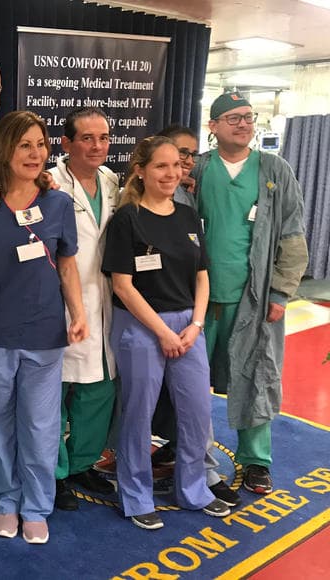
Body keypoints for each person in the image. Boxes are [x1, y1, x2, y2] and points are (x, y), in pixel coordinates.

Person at [102, 136, 231, 530]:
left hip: (188, 326)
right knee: (138, 413)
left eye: (177, 165)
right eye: (161, 165)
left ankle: (194, 489)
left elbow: (202, 276)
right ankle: (136, 496)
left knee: (197, 411)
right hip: (141, 325)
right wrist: (162, 332)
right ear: (141, 171)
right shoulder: (127, 219)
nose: (172, 173)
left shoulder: (188, 216)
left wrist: (195, 325)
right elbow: (122, 285)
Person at [192, 92, 309, 494]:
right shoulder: (197, 169)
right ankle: (188, 453)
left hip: (255, 299)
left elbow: (292, 235)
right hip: (200, 300)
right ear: (213, 126)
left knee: (257, 376)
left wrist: (280, 292)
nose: (243, 124)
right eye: (233, 118)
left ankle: (256, 460)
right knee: (190, 383)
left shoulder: (274, 170)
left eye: (248, 116)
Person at [0, 111, 87, 544]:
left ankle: (36, 506)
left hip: (44, 332)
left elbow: (67, 265)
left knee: (41, 428)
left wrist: (78, 313)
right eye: (25, 144)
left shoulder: (57, 203)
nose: (35, 153)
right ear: (5, 148)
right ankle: (5, 501)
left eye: (41, 144)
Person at [151, 124, 243, 508]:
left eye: (189, 156)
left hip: (188, 318)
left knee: (195, 403)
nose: (183, 163)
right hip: (146, 319)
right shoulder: (135, 205)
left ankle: (203, 474)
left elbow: (200, 270)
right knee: (142, 405)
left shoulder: (187, 202)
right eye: (176, 156)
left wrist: (196, 322)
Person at [48, 107, 120, 509]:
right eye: (87, 138)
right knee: (54, 395)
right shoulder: (49, 183)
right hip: (60, 303)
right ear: (67, 143)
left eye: (103, 138)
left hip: (106, 300)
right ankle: (54, 472)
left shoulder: (112, 182)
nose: (97, 146)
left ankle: (82, 463)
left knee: (99, 389)